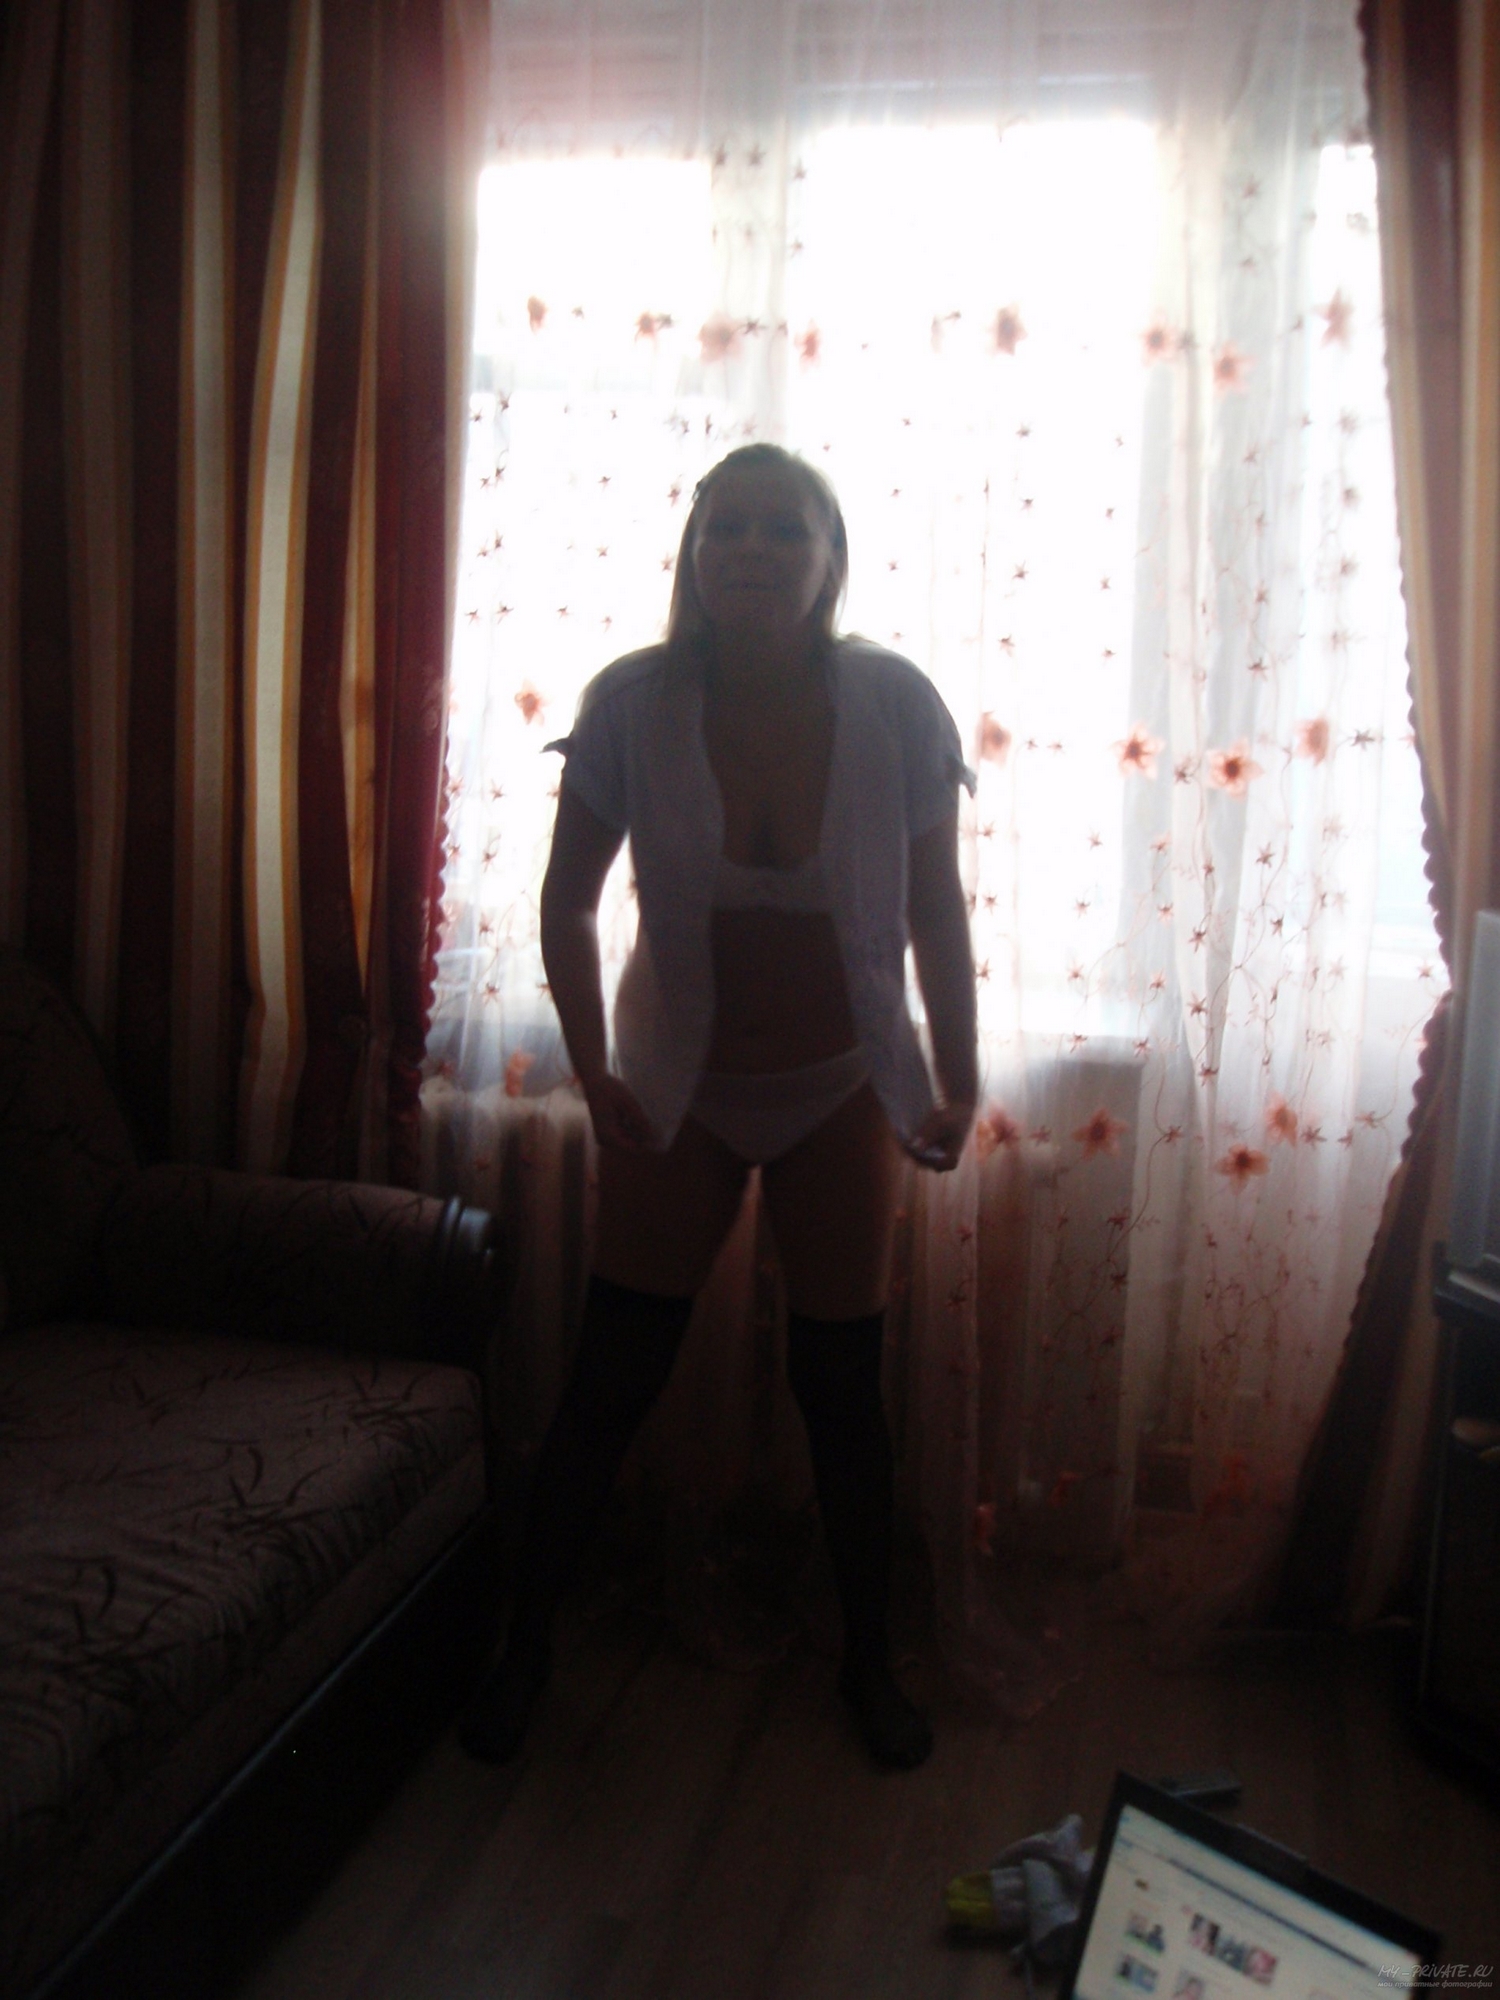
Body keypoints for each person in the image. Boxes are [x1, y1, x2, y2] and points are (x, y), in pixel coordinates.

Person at [458, 442, 978, 1770]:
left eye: (782, 529)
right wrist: (592, 1069)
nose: (752, 549)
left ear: (830, 558)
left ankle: (867, 1662)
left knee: (840, 1387)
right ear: (692, 555)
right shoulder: (631, 703)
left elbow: (934, 911)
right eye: (726, 528)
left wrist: (960, 1078)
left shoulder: (895, 704)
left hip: (839, 1086)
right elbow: (569, 903)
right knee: (613, 1372)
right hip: (675, 1090)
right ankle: (525, 1649)